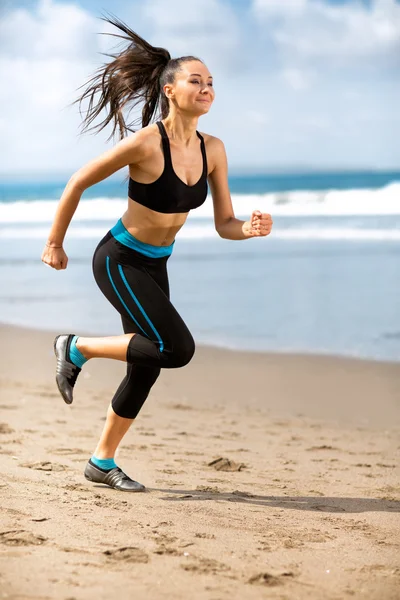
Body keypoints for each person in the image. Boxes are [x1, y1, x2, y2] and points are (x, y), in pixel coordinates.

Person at [41, 14, 273, 493]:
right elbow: (77, 181)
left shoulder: (214, 149)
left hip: (156, 262)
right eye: (196, 80)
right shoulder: (147, 143)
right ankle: (75, 347)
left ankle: (101, 462)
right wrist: (54, 242)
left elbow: (224, 225)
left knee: (146, 367)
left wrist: (247, 229)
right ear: (170, 89)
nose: (207, 88)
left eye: (211, 82)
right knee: (177, 349)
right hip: (120, 259)